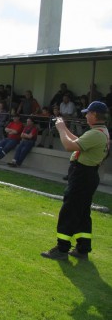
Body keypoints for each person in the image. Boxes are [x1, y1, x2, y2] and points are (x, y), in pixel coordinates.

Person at [41, 101, 110, 260]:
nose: (85, 116)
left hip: (82, 175)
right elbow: (78, 142)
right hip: (87, 175)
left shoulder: (96, 133)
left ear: (94, 114)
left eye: (88, 113)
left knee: (69, 210)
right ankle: (82, 248)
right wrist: (64, 128)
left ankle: (62, 249)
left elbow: (69, 146)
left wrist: (60, 129)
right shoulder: (99, 131)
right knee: (82, 212)